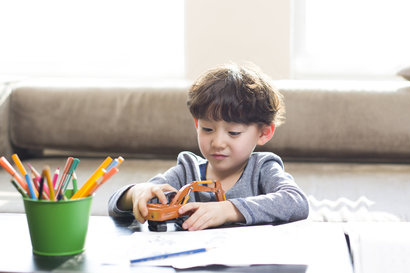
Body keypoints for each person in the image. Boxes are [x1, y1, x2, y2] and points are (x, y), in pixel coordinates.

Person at [108, 63, 309, 231]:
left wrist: (228, 209)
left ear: (264, 133)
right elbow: (114, 206)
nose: (218, 142)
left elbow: (296, 201)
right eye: (207, 129)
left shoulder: (262, 169)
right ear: (197, 125)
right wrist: (136, 192)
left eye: (233, 133)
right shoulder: (186, 172)